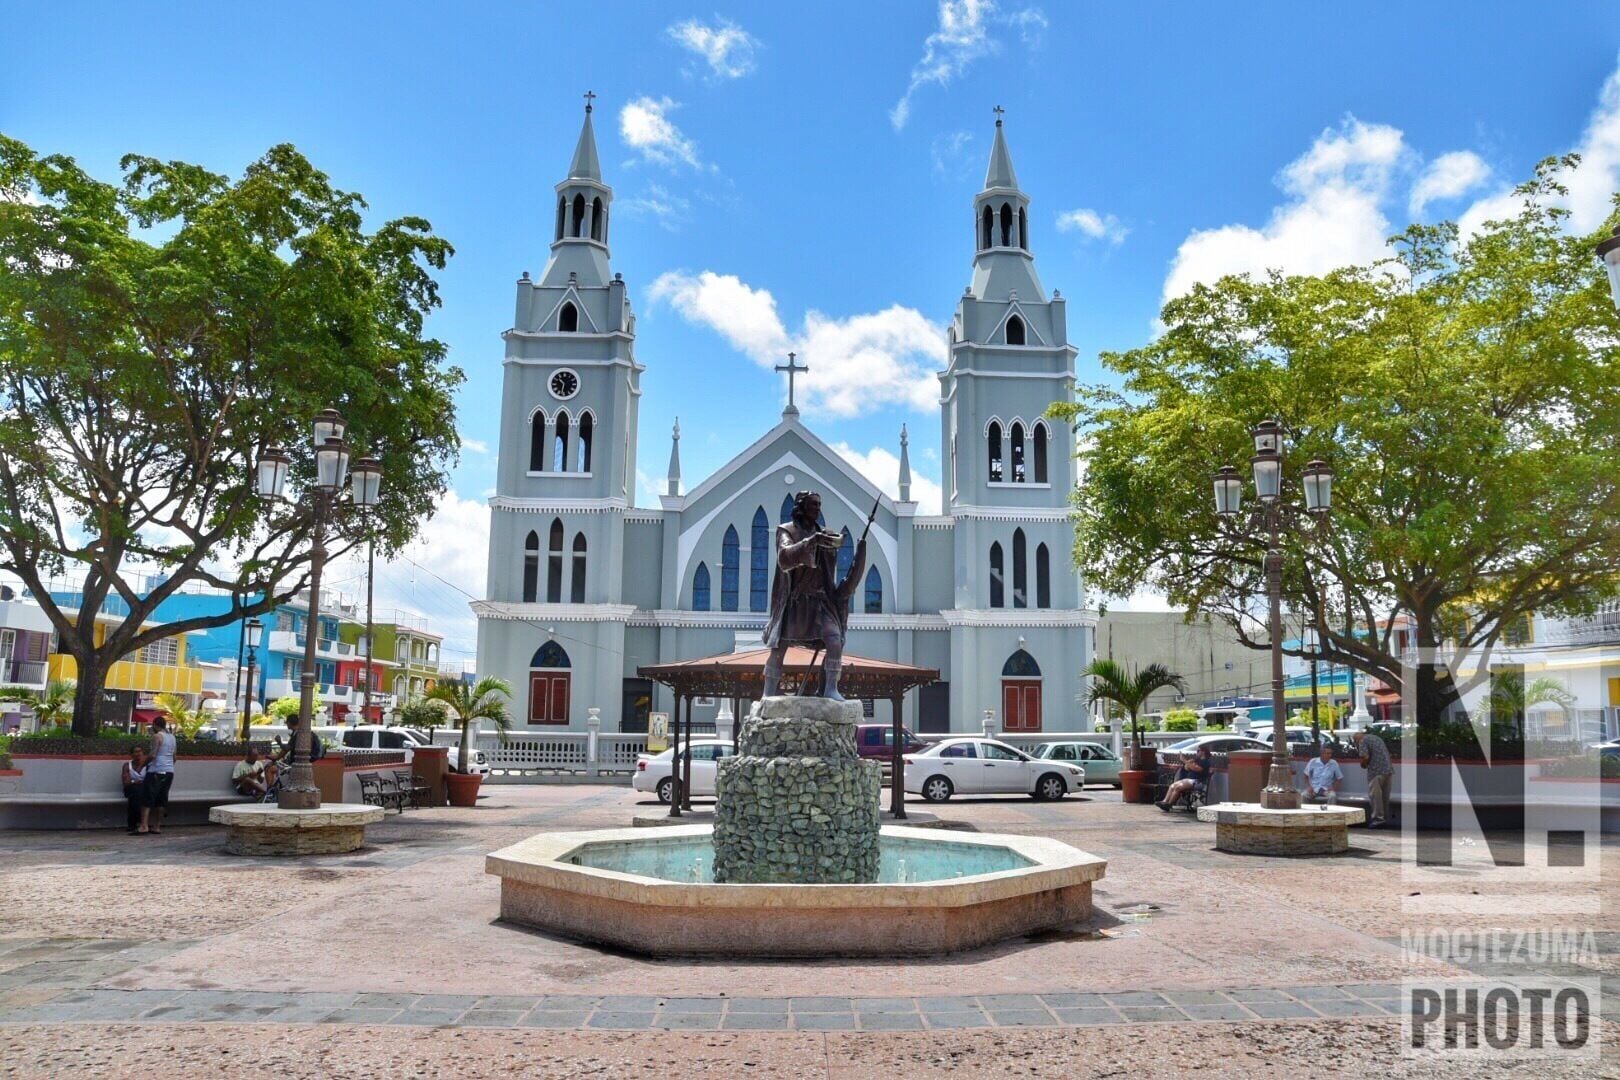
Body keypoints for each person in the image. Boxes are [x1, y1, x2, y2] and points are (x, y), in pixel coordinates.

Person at [761, 490, 868, 701]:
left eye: (819, 505)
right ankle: (768, 692)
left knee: (834, 639)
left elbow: (830, 572)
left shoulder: (825, 533)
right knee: (779, 647)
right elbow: (784, 558)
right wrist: (812, 541)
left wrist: (847, 548)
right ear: (801, 507)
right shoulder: (787, 531)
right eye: (813, 504)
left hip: (820, 602)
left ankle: (830, 688)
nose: (818, 509)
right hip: (794, 602)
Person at [140, 717, 176, 834]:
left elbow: (152, 755)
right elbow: (174, 757)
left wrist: (142, 765)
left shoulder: (157, 736)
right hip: (169, 771)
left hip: (156, 770)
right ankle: (157, 826)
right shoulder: (172, 737)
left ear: (155, 725)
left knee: (147, 798)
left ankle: (144, 826)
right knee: (162, 799)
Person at [1354, 728, 1393, 828]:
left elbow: (1365, 757)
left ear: (1356, 740)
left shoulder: (1362, 741)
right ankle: (1384, 819)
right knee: (1385, 797)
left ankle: (1378, 820)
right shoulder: (1376, 738)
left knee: (1376, 797)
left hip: (1376, 771)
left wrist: (1363, 764)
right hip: (1388, 770)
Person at [1158, 744, 1213, 810]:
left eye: (1198, 751)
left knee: (1178, 788)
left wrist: (1185, 761)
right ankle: (1164, 802)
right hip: (1189, 780)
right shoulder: (1197, 760)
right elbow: (1187, 768)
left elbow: (1196, 769)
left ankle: (1169, 804)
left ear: (1203, 752)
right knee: (1172, 786)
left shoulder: (1205, 761)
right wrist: (1188, 763)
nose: (1197, 752)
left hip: (1198, 782)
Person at [121, 747, 148, 834]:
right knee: (136, 793)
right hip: (131, 789)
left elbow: (150, 780)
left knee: (137, 795)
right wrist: (134, 782)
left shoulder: (148, 765)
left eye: (140, 751)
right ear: (131, 754)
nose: (138, 754)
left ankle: (133, 824)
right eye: (136, 752)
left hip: (143, 789)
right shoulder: (127, 765)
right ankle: (140, 823)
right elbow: (126, 782)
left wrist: (134, 781)